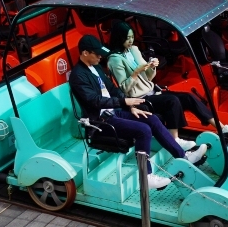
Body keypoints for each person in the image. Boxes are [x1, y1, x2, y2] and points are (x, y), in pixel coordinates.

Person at [69, 35, 207, 190]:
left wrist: (130, 106)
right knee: (143, 130)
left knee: (152, 119)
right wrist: (124, 102)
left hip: (113, 113)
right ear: (85, 53)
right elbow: (94, 100)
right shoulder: (77, 76)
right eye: (96, 53)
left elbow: (113, 90)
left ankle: (184, 156)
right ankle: (145, 177)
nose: (100, 56)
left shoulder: (96, 68)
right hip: (99, 122)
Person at [106, 21, 228, 140]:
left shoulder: (134, 49)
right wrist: (136, 72)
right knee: (172, 101)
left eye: (132, 37)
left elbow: (148, 78)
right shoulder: (114, 59)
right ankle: (174, 139)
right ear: (119, 38)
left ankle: (222, 128)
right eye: (127, 38)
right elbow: (124, 88)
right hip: (140, 99)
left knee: (188, 97)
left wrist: (152, 67)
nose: (131, 41)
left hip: (152, 91)